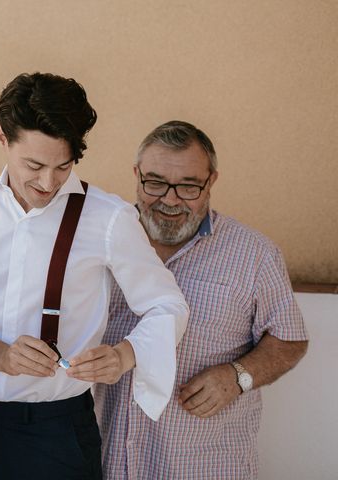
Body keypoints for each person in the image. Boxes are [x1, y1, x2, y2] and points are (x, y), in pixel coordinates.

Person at [0, 72, 189, 480]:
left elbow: (167, 305)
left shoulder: (108, 218)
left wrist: (124, 356)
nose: (48, 182)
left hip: (59, 432)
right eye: (34, 165)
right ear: (2, 138)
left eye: (63, 166)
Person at [95, 120, 309, 480]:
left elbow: (289, 338)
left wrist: (237, 376)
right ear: (136, 174)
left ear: (211, 181)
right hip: (104, 461)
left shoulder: (254, 254)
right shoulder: (97, 244)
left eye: (189, 186)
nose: (170, 199)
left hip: (203, 466)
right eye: (156, 182)